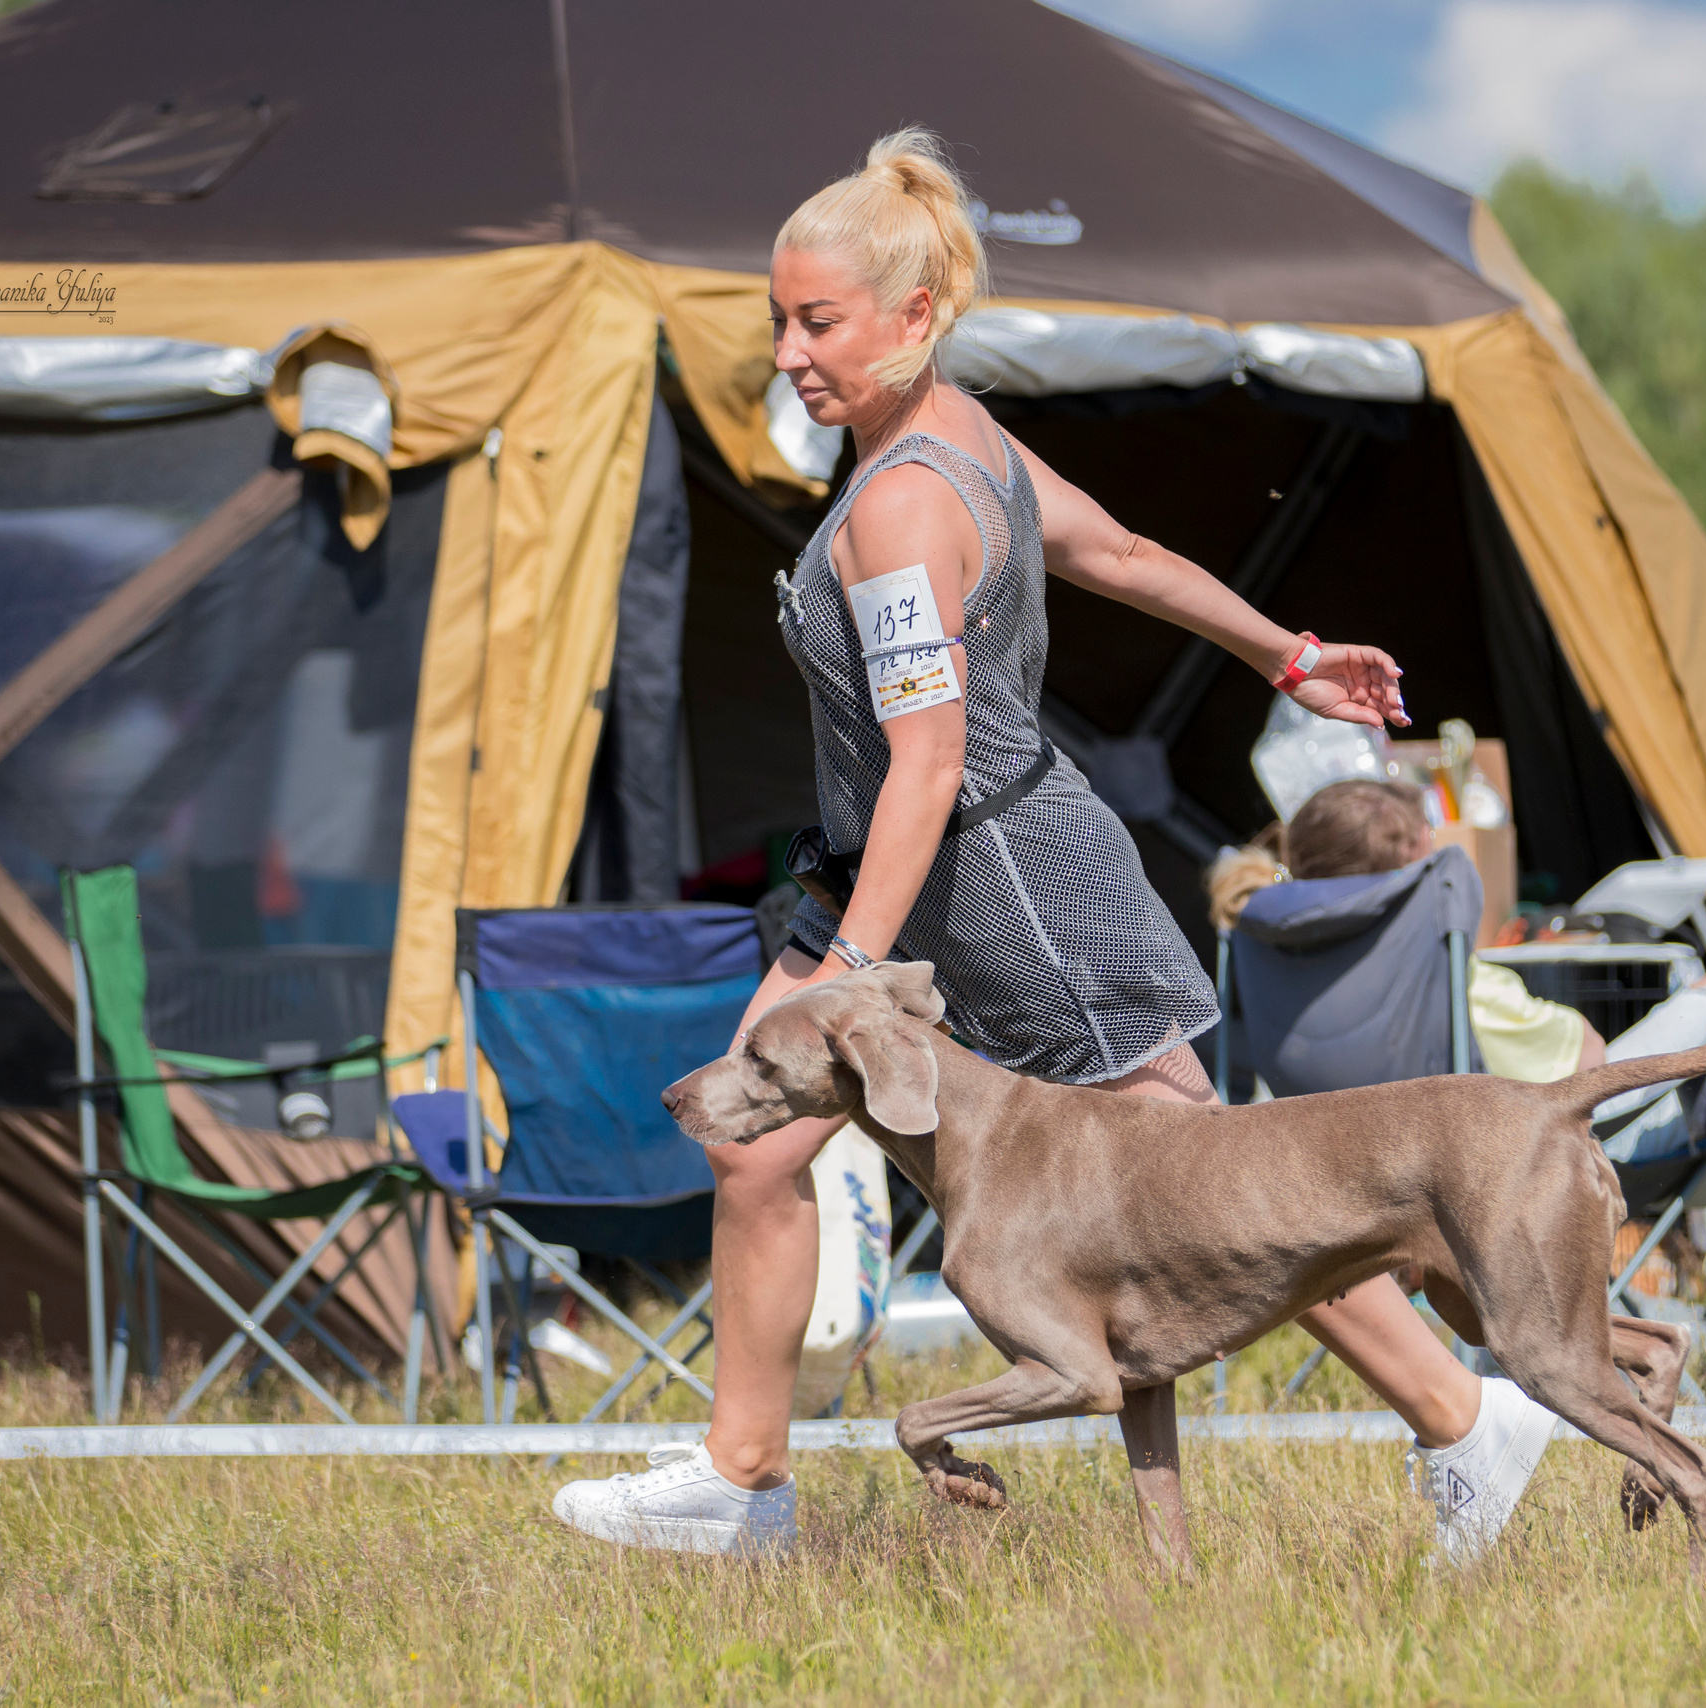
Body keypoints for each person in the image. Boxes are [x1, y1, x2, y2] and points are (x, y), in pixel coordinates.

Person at [550, 130, 1556, 1560]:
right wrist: (1288, 654)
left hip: (1017, 893)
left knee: (1221, 1195)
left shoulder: (906, 500)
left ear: (912, 317)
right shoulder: (952, 435)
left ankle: (1465, 1420)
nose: (786, 353)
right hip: (900, 873)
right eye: (776, 319)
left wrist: (849, 974)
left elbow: (931, 759)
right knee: (755, 1144)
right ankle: (744, 1478)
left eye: (817, 322)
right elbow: (1120, 556)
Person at [1211, 780, 1706, 1246]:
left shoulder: (1271, 958)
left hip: (1363, 1197)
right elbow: (1586, 1062)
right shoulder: (1445, 981)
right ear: (1411, 871)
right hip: (1528, 1173)